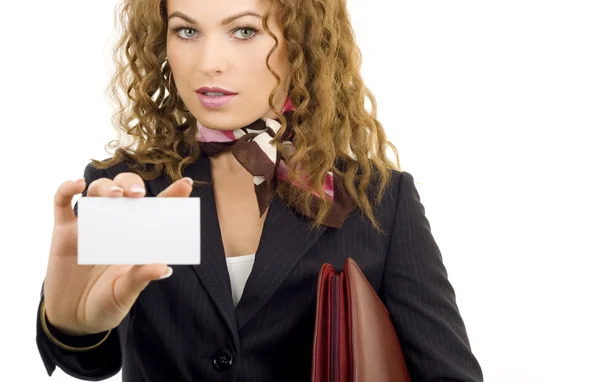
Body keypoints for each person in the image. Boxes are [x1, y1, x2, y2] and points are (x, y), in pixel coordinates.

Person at [36, 0, 484, 381]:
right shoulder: (132, 188)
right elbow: (91, 360)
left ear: (301, 41)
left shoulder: (378, 198)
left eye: (244, 30)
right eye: (187, 30)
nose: (209, 61)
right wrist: (72, 327)